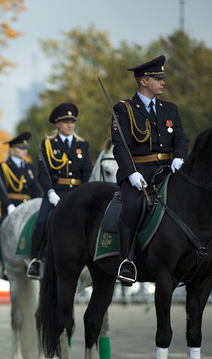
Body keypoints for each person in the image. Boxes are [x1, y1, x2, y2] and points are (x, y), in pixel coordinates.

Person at [111, 55, 188, 285]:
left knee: (195, 199)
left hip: (168, 169)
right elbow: (120, 146)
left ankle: (206, 261)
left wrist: (180, 157)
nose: (163, 82)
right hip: (139, 171)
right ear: (143, 81)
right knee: (132, 206)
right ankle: (126, 262)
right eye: (157, 78)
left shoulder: (170, 109)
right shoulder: (124, 109)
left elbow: (180, 137)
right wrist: (130, 173)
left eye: (162, 78)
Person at [27, 103, 93, 279]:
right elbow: (43, 172)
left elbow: (88, 172)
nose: (70, 125)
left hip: (78, 193)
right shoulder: (48, 144)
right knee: (41, 222)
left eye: (72, 122)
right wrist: (50, 193)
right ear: (57, 124)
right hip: (55, 192)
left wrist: (85, 192)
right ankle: (35, 260)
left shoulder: (83, 145)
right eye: (66, 122)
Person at [0, 132, 41, 222]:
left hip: (29, 207)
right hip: (12, 206)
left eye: (25, 148)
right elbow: (0, 190)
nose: (25, 151)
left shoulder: (30, 167)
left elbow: (35, 189)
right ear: (12, 150)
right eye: (21, 148)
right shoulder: (4, 166)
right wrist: (9, 206)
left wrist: (39, 202)